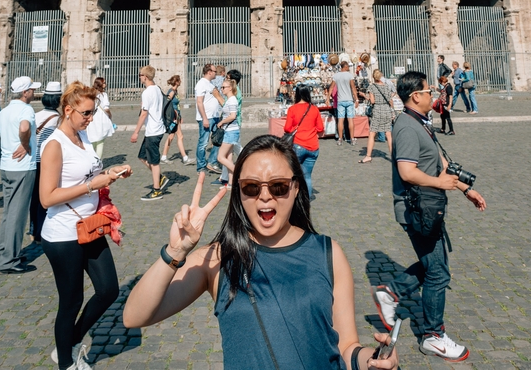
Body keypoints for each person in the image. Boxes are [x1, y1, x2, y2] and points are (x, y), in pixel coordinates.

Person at [123, 135, 398, 370]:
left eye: (278, 186)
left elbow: (347, 346)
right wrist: (175, 251)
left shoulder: (328, 252)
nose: (265, 196)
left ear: (296, 187)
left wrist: (371, 360)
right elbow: (135, 316)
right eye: (251, 188)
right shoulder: (218, 258)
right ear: (239, 193)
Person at [372, 70, 486, 362]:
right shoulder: (408, 128)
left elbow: (441, 162)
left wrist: (464, 189)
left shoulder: (420, 123)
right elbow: (407, 171)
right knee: (437, 272)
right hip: (416, 209)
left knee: (434, 266)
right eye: (428, 91)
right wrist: (441, 183)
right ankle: (432, 336)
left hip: (428, 206)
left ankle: (391, 292)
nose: (433, 94)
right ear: (416, 96)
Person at [40, 81, 132, 370]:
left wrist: (109, 173)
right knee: (71, 301)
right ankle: (66, 363)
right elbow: (47, 198)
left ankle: (71, 341)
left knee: (109, 290)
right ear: (68, 110)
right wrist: (92, 184)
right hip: (63, 234)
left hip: (90, 225)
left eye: (92, 112)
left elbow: (88, 173)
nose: (91, 118)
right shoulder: (54, 144)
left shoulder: (82, 136)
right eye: (87, 113)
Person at [0, 76, 40, 274]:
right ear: (25, 93)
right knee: (17, 214)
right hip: (22, 166)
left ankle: (2, 253)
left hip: (6, 165)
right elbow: (24, 127)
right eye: (31, 89)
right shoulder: (26, 109)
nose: (33, 92)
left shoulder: (3, 112)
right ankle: (10, 261)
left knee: (8, 213)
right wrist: (24, 143)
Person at [30, 81, 62, 243]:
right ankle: (40, 231)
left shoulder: (36, 114)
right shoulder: (56, 119)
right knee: (45, 199)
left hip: (32, 161)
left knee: (34, 197)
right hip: (44, 161)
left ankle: (33, 229)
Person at [131, 65, 168, 201]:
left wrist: (136, 132)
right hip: (155, 129)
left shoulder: (147, 92)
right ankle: (159, 177)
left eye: (140, 75)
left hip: (153, 130)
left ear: (145, 77)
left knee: (154, 161)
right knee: (142, 156)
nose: (139, 77)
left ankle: (157, 190)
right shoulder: (157, 89)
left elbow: (144, 114)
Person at [284, 84, 324, 201]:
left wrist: (295, 129)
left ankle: (293, 197)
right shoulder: (314, 109)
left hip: (298, 145)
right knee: (307, 175)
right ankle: (308, 197)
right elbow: (320, 129)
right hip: (313, 147)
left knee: (293, 173)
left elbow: (287, 128)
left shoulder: (292, 109)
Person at [212, 69, 244, 189]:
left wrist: (221, 122)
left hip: (231, 130)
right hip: (229, 130)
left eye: (224, 87)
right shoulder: (231, 98)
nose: (222, 89)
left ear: (230, 87)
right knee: (229, 157)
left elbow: (232, 115)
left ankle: (239, 174)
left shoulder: (232, 99)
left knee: (221, 157)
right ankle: (230, 183)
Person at [194, 64, 224, 174]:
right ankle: (201, 166)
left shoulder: (210, 83)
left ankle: (211, 161)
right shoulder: (201, 84)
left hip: (215, 116)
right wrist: (204, 118)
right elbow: (199, 102)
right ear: (209, 72)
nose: (216, 73)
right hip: (206, 117)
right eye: (214, 71)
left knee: (218, 139)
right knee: (203, 142)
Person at [360, 70, 394, 164]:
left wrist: (364, 96)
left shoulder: (372, 87)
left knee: (372, 133)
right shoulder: (387, 87)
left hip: (377, 110)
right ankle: (393, 156)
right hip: (386, 110)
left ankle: (368, 156)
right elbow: (390, 100)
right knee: (388, 134)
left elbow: (373, 101)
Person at [160, 75, 196, 166]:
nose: (180, 82)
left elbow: (177, 106)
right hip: (173, 119)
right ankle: (185, 158)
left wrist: (180, 116)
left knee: (171, 137)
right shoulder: (171, 92)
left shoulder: (175, 91)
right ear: (176, 82)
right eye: (179, 80)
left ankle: (164, 157)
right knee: (180, 136)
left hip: (177, 118)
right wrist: (173, 115)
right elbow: (167, 103)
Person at [328, 60, 359, 146]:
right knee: (350, 120)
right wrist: (356, 99)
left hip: (340, 100)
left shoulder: (336, 76)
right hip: (349, 100)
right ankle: (352, 139)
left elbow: (331, 88)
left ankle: (340, 139)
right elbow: (353, 88)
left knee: (340, 120)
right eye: (348, 66)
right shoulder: (349, 75)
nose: (348, 68)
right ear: (345, 66)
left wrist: (327, 98)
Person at [86, 78, 113, 159]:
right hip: (101, 119)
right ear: (99, 84)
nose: (105, 84)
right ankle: (97, 162)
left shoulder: (91, 93)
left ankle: (91, 159)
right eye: (104, 83)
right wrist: (110, 115)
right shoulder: (103, 95)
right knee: (100, 142)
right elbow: (106, 108)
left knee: (92, 140)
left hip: (92, 118)